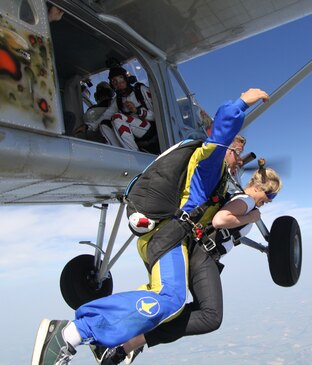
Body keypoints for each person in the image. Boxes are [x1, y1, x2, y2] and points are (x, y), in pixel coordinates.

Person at [31, 88, 269, 365]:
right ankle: (69, 334)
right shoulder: (208, 164)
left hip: (167, 237)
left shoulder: (214, 180)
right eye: (237, 153)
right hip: (166, 236)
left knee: (168, 303)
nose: (240, 160)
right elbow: (221, 133)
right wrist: (240, 103)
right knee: (171, 299)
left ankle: (111, 339)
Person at [94, 166, 282, 365]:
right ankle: (127, 342)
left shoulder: (240, 199)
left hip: (203, 255)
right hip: (204, 256)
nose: (269, 200)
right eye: (270, 194)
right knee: (211, 316)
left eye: (273, 197)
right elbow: (220, 220)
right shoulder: (246, 201)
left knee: (187, 309)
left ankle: (121, 337)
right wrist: (251, 217)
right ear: (258, 186)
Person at [88, 67, 160, 154]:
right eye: (114, 82)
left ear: (126, 78)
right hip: (134, 132)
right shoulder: (118, 100)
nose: (118, 84)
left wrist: (137, 111)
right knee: (104, 124)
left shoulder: (140, 91)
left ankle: (134, 153)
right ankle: (120, 153)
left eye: (121, 79)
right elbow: (106, 115)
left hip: (149, 129)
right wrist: (88, 126)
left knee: (117, 117)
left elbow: (158, 116)